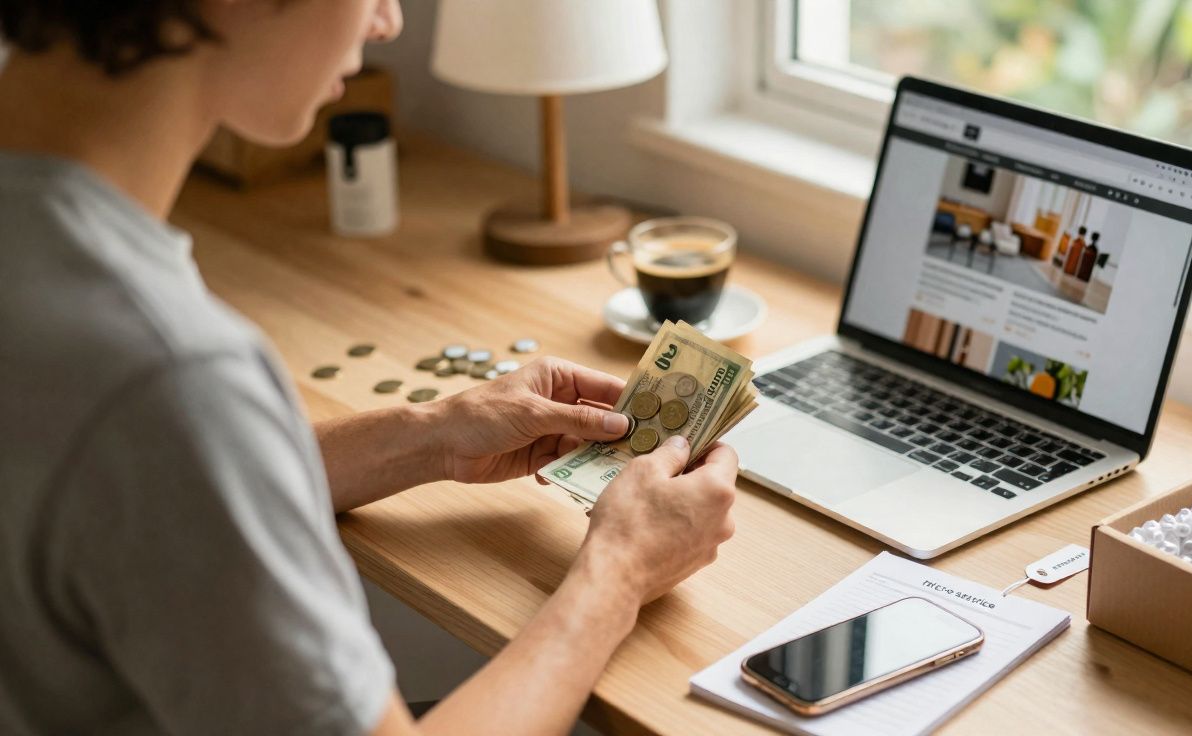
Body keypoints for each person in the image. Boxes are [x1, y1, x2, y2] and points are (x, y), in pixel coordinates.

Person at [0, 2, 739, 734]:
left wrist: (432, 435)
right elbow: (165, 435)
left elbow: (142, 486)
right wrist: (618, 573)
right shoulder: (168, 373)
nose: (386, 21)